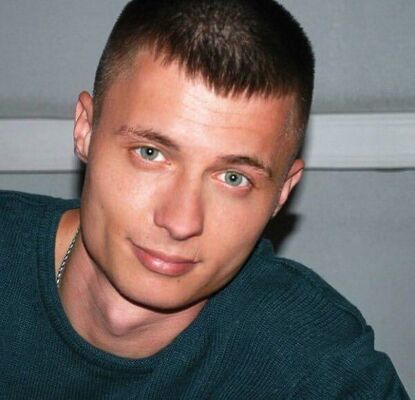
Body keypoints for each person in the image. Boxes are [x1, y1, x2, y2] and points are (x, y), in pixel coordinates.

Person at [0, 0, 410, 398]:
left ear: (282, 193)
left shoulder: (317, 368)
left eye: (233, 178)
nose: (181, 222)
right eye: (150, 153)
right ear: (85, 131)